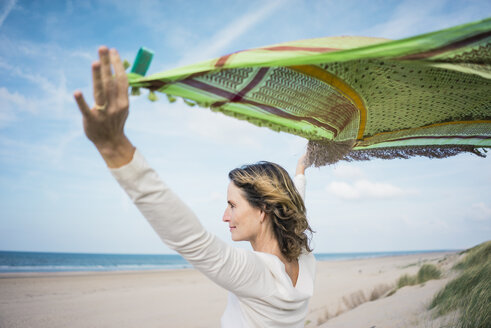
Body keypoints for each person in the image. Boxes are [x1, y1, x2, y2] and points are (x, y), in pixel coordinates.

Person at [74, 46, 315, 328]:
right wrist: (300, 172)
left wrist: (114, 147)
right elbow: (296, 204)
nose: (225, 217)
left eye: (232, 205)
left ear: (263, 210)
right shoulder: (305, 260)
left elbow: (191, 240)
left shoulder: (257, 274)